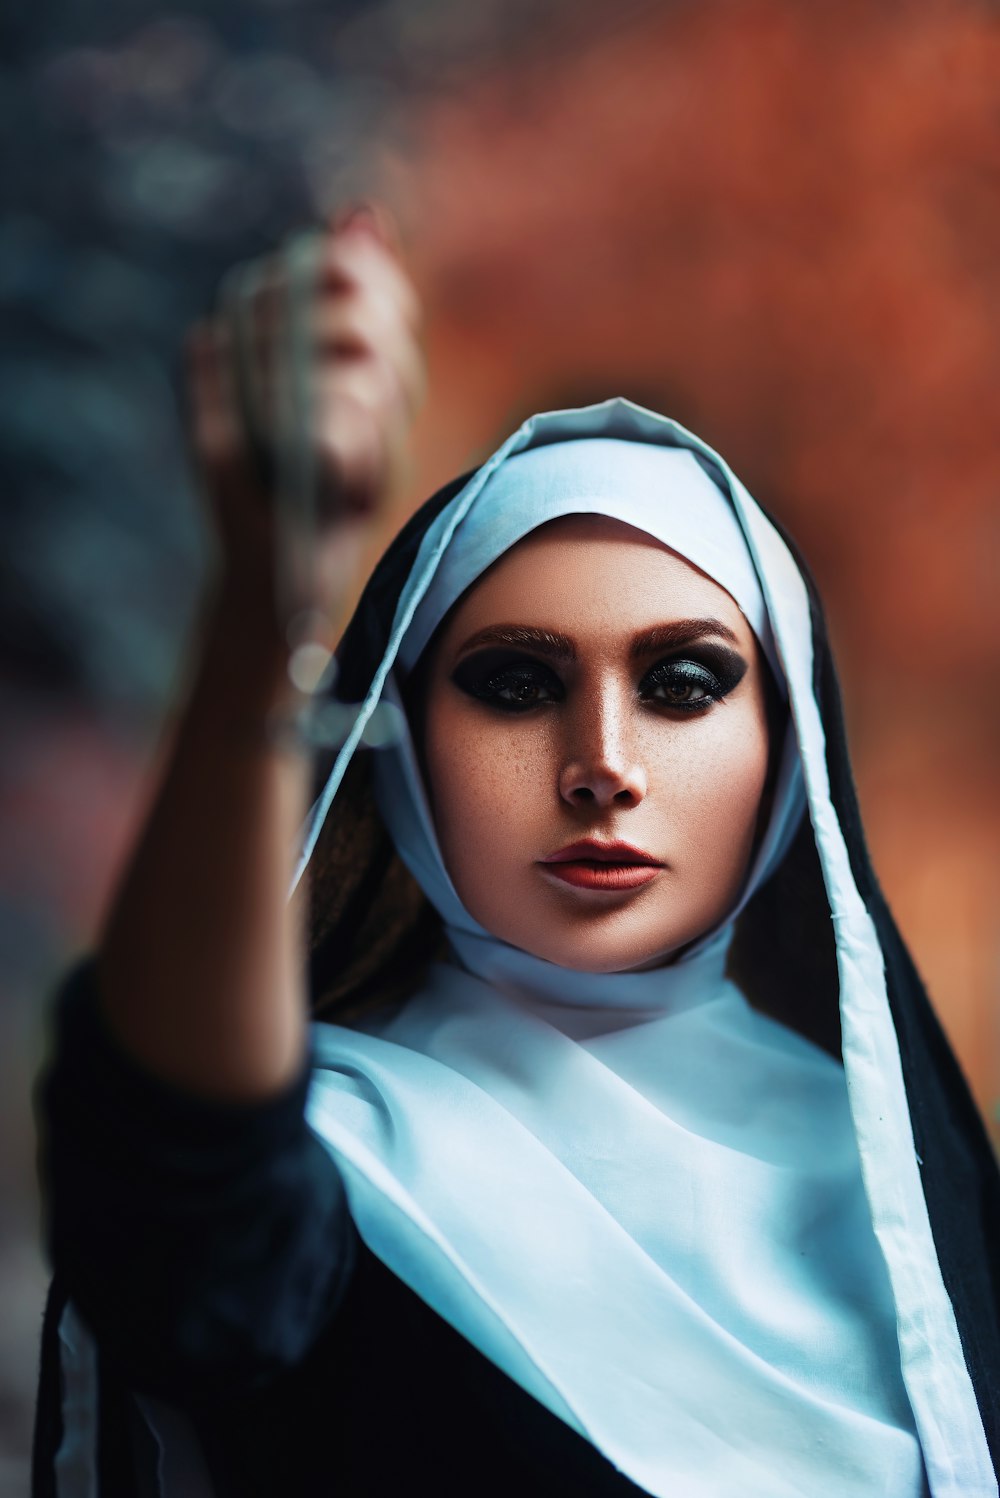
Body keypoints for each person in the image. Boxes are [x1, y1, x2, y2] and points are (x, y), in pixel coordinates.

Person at [33, 211, 999, 1498]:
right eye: (511, 684)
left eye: (685, 681)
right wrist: (268, 589)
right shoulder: (325, 1171)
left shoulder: (912, 1215)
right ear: (401, 746)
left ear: (788, 748)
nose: (602, 760)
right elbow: (169, 1162)